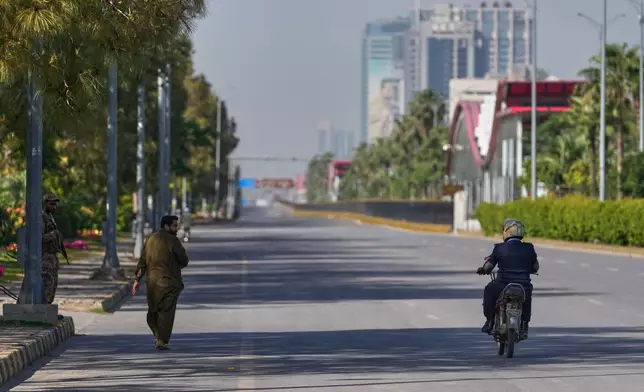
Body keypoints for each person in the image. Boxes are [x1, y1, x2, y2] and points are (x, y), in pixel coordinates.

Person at [132, 215, 189, 350]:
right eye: (174, 226)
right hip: (170, 283)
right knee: (167, 313)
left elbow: (142, 262)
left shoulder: (150, 239)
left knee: (153, 312)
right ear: (166, 226)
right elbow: (184, 260)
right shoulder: (173, 240)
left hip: (152, 284)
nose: (177, 228)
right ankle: (161, 339)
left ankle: (159, 337)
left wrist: (137, 280)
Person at [477, 218, 539, 340]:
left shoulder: (499, 248)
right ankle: (525, 325)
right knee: (527, 299)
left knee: (489, 290)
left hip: (502, 285)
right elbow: (536, 266)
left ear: (506, 232)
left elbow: (488, 266)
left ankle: (489, 322)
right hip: (523, 286)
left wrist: (483, 270)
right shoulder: (529, 248)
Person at [42, 193, 63, 304]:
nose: (54, 207)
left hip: (52, 256)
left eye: (55, 205)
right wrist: (52, 235)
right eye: (51, 204)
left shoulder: (50, 217)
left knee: (54, 283)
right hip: (45, 256)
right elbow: (36, 239)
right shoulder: (41, 218)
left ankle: (48, 307)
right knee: (48, 282)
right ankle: (43, 308)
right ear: (45, 203)